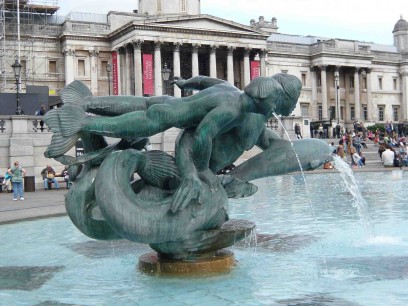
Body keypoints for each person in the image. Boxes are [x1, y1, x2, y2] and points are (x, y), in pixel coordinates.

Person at [43, 74, 332, 211]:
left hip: (169, 104)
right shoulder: (233, 111)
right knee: (137, 120)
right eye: (276, 107)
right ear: (269, 100)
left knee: (139, 105)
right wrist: (202, 171)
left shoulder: (231, 91)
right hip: (168, 117)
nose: (274, 114)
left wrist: (185, 84)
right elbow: (203, 135)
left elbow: (207, 80)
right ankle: (82, 122)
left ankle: (87, 101)